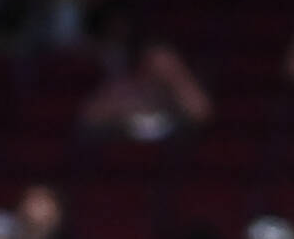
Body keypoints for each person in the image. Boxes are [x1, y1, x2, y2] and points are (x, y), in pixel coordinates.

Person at [77, 12, 213, 143]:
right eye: (154, 62)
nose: (160, 69)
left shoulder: (182, 87)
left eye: (167, 63)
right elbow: (89, 118)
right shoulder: (121, 88)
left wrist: (177, 77)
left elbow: (203, 115)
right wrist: (120, 109)